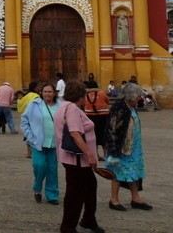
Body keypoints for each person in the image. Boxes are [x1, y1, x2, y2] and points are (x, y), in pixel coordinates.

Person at [54, 80, 104, 233]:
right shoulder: (73, 109)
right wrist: (90, 155)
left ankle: (89, 219)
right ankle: (68, 227)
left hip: (72, 158)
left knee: (90, 187)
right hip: (77, 159)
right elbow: (75, 133)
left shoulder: (63, 106)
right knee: (75, 194)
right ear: (81, 95)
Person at [104, 82, 152, 211]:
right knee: (117, 172)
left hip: (133, 148)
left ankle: (135, 198)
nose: (139, 98)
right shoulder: (119, 107)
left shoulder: (131, 107)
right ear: (131, 96)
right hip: (121, 148)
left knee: (134, 172)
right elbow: (111, 128)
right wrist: (113, 150)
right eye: (138, 96)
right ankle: (114, 200)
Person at [21, 83, 60, 204]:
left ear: (54, 93)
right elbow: (24, 121)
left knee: (52, 169)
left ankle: (52, 194)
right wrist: (30, 136)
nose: (47, 94)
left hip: (54, 143)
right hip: (37, 143)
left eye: (50, 92)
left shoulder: (61, 105)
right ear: (41, 93)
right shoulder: (34, 104)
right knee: (39, 165)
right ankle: (37, 187)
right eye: (45, 92)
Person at [83, 85, 110, 161]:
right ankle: (106, 155)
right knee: (104, 135)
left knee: (93, 135)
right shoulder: (101, 93)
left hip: (90, 115)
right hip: (103, 116)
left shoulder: (85, 94)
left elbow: (83, 104)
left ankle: (96, 155)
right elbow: (107, 101)